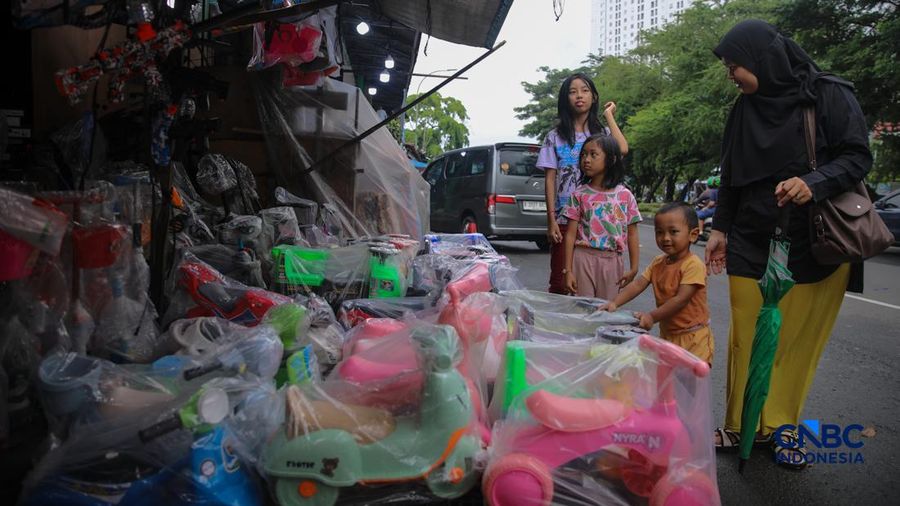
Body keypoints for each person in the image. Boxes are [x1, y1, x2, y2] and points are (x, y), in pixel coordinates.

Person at [706, 20, 872, 468]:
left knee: (793, 341)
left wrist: (812, 182)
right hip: (750, 235)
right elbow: (732, 175)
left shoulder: (828, 94)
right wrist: (719, 229)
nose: (731, 75)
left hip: (814, 240)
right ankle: (742, 423)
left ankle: (782, 427)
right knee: (746, 334)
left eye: (736, 65)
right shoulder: (744, 108)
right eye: (728, 67)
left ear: (764, 59)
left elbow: (858, 155)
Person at [536, 73, 629, 294]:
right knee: (561, 282)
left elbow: (622, 149)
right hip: (564, 219)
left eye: (585, 90)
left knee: (592, 286)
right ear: (565, 98)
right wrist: (551, 220)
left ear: (594, 97)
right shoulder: (554, 137)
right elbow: (550, 178)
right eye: (573, 91)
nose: (579, 96)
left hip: (596, 220)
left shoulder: (602, 135)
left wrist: (609, 116)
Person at [599, 202, 713, 365]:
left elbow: (681, 300)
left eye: (673, 232)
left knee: (689, 384)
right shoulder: (658, 262)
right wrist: (614, 303)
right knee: (668, 381)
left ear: (693, 235)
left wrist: (651, 317)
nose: (665, 238)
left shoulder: (693, 265)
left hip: (694, 338)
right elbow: (638, 284)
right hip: (668, 335)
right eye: (659, 232)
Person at [561, 134, 641, 300]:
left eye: (593, 154)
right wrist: (568, 270)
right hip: (583, 259)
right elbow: (570, 235)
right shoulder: (579, 195)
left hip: (612, 261)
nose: (586, 160)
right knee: (583, 309)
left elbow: (632, 233)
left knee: (606, 311)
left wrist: (634, 268)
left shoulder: (625, 196)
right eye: (583, 155)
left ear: (611, 159)